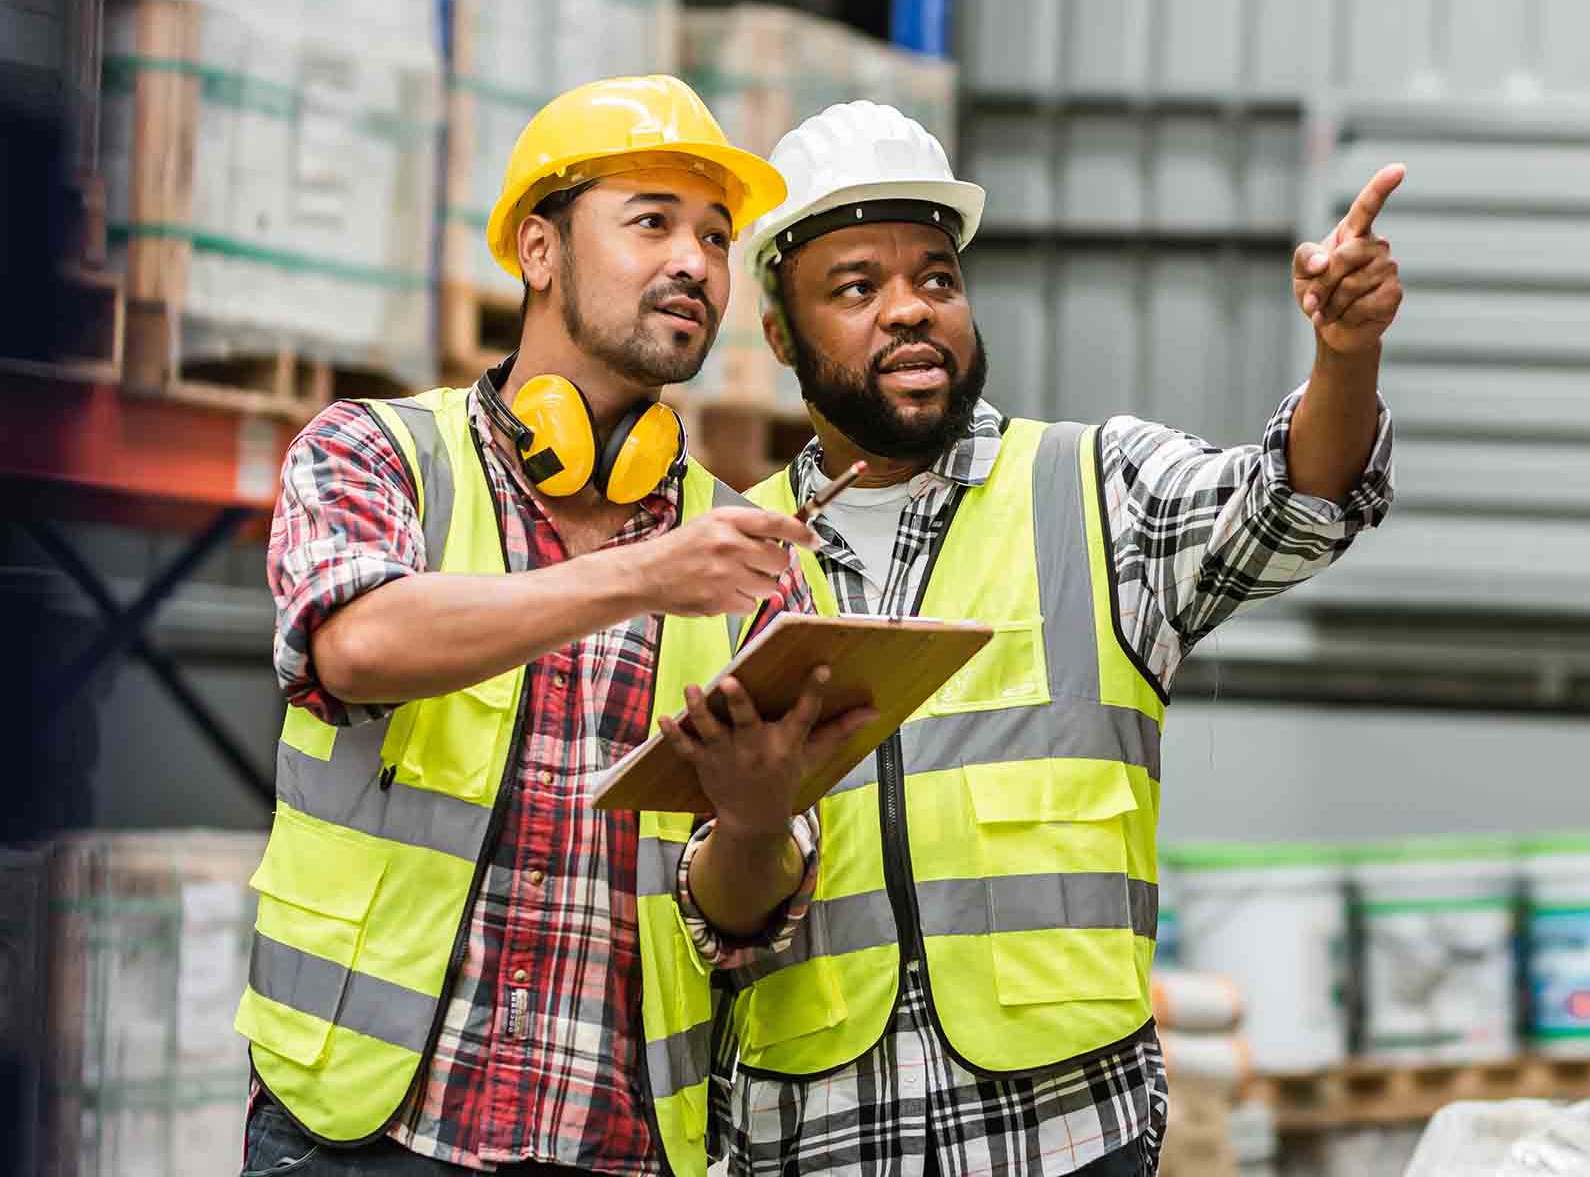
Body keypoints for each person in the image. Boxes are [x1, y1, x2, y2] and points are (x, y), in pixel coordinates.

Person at [704, 100, 1402, 1176]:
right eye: (857, 287)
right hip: (818, 1137)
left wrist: (1342, 355)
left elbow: (1293, 502)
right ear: (781, 334)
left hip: (1064, 1135)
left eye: (936, 277)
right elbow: (705, 913)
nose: (909, 311)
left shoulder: (1095, 489)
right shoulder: (722, 564)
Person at [234, 76, 877, 1177]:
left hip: (614, 1146)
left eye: (717, 237)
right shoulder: (378, 453)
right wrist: (640, 574)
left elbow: (741, 917)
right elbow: (354, 644)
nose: (696, 263)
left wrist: (760, 820)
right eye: (652, 222)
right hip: (360, 1129)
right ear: (539, 249)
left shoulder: (746, 553)